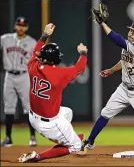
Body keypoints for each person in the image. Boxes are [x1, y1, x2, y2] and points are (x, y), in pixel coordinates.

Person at [77, 5, 134, 157]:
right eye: (131, 30)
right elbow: (124, 61)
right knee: (105, 113)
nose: (131, 34)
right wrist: (112, 70)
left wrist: (102, 23)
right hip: (124, 88)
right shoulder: (129, 46)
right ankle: (90, 141)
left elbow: (117, 39)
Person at [18, 23, 88, 162]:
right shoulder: (60, 74)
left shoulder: (33, 67)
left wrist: (44, 35)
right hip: (49, 123)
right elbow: (80, 67)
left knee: (67, 112)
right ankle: (38, 156)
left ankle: (66, 137)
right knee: (77, 146)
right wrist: (83, 53)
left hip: (33, 117)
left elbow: (35, 51)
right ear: (57, 59)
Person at [0, 17, 37, 147]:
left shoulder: (32, 42)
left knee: (28, 107)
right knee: (8, 107)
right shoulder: (5, 39)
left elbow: (37, 59)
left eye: (23, 25)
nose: (21, 27)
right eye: (19, 25)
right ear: (15, 26)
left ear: (26, 27)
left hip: (24, 76)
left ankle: (33, 136)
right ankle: (8, 138)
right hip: (9, 75)